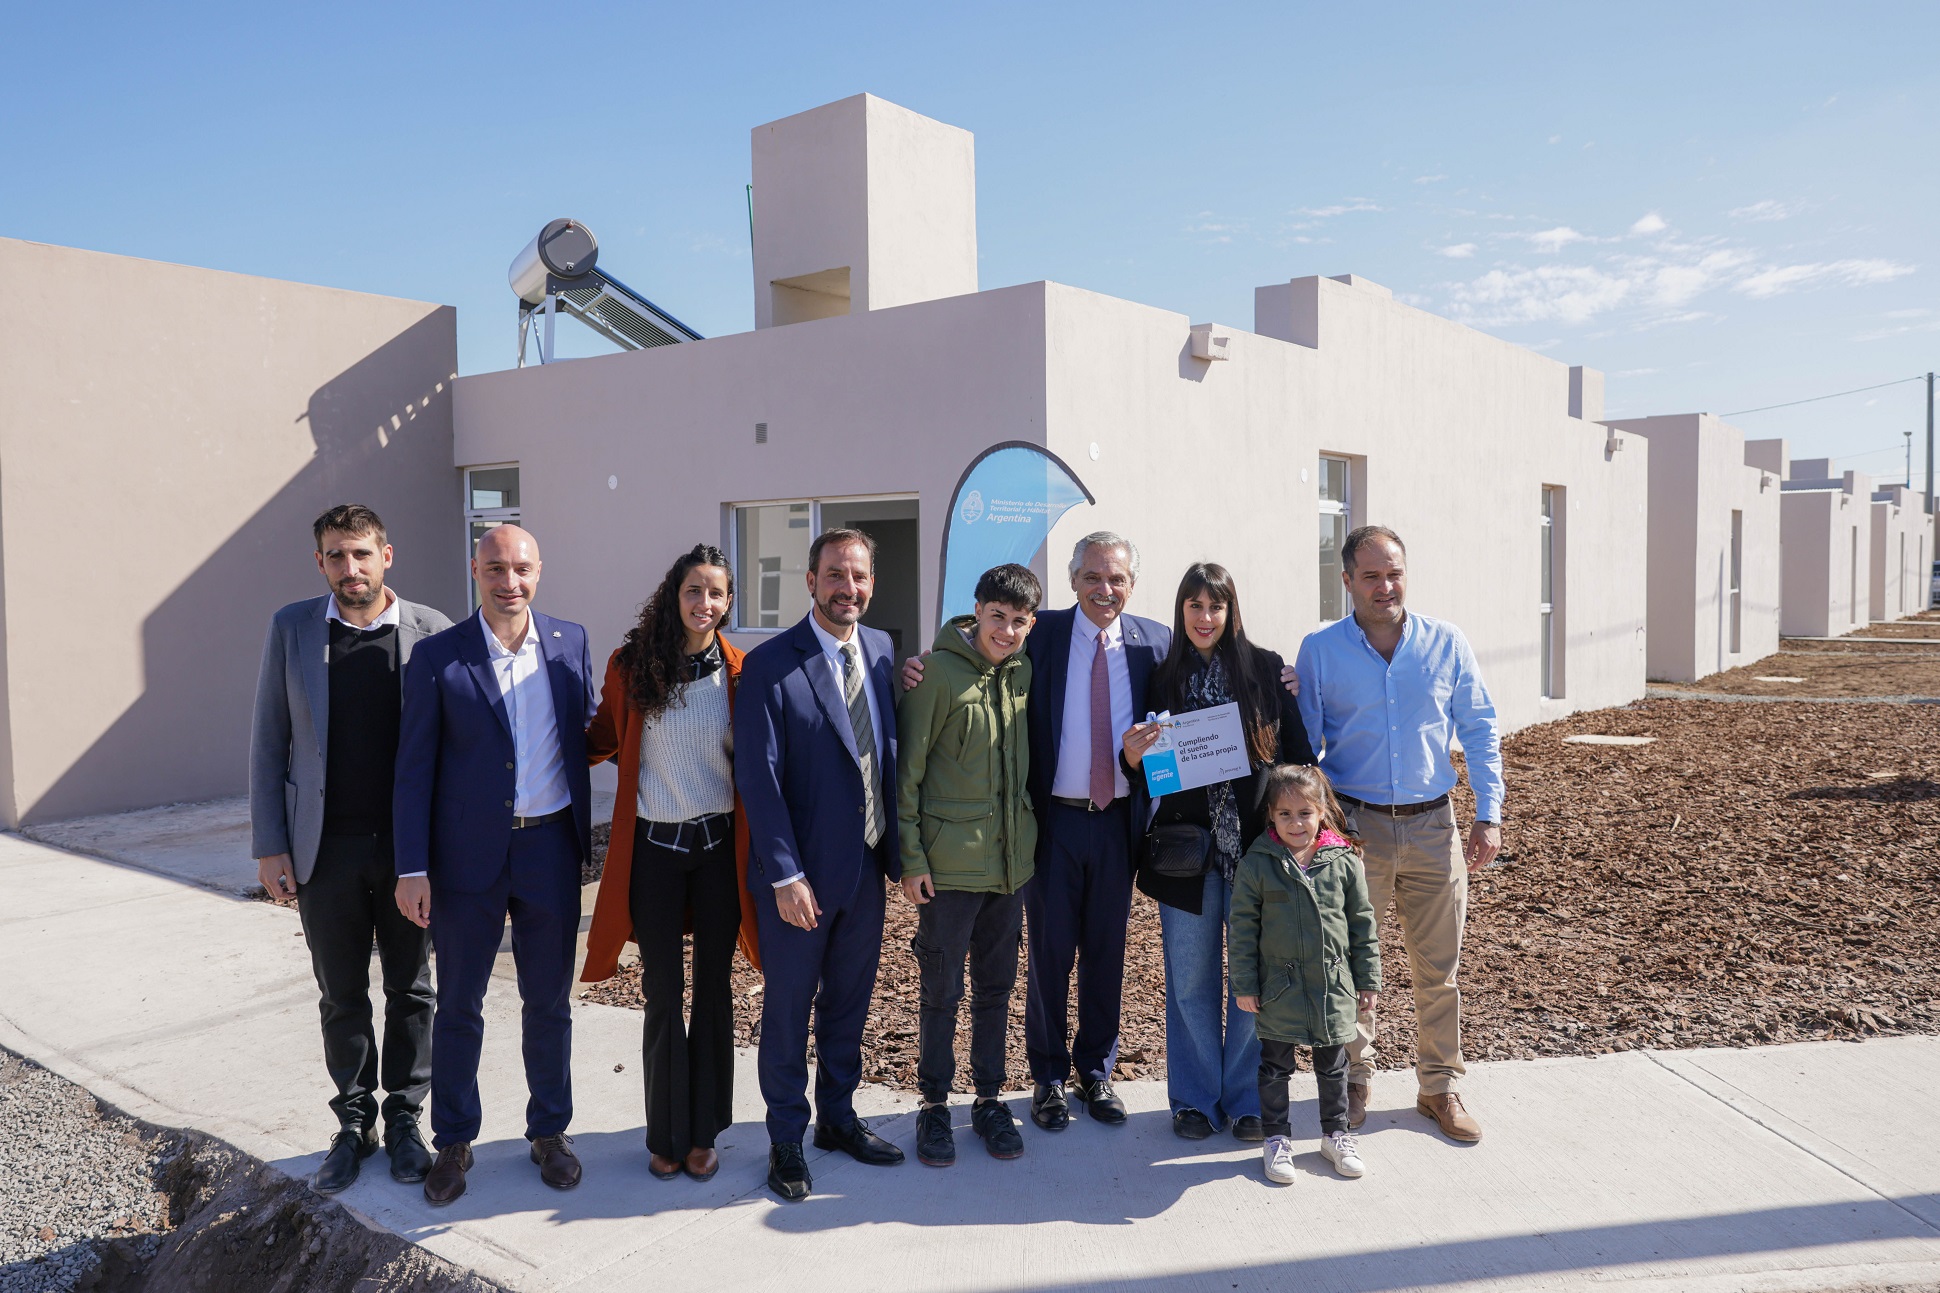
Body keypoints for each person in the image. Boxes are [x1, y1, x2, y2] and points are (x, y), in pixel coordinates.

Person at [392, 524, 598, 1204]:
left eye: (522, 568)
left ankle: (549, 1131)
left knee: (548, 1002)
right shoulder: (437, 657)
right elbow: (414, 768)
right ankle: (453, 1139)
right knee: (459, 1004)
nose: (510, 581)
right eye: (496, 568)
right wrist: (412, 865)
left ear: (540, 570)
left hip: (549, 850)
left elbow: (595, 729)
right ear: (475, 571)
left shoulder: (570, 643)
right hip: (464, 860)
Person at [249, 504, 451, 1195]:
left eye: (361, 553)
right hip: (324, 849)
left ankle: (403, 1118)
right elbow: (269, 740)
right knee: (341, 993)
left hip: (408, 849)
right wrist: (270, 844)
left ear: (386, 556)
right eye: (336, 555)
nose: (350, 568)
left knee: (412, 988)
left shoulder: (432, 630)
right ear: (320, 563)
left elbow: (456, 749)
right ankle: (353, 1119)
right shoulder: (291, 629)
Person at [1294, 525, 1502, 1143]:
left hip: (1435, 828)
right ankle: (1354, 1081)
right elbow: (1305, 750)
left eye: (1394, 574)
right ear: (1347, 581)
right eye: (1371, 576)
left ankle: (1438, 1087)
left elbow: (1482, 728)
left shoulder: (1447, 643)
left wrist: (1489, 813)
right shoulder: (1321, 650)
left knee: (1440, 969)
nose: (1385, 587)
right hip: (1355, 831)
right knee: (1354, 966)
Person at [735, 528, 905, 1202]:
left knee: (849, 1006)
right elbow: (759, 776)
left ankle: (838, 1117)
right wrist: (784, 873)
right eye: (836, 574)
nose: (849, 588)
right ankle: (785, 1139)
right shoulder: (770, 664)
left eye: (860, 576)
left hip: (866, 868)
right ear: (810, 580)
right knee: (787, 1011)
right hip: (798, 879)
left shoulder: (886, 652)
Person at [581, 543, 760, 1184]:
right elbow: (601, 736)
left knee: (713, 991)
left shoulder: (742, 672)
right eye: (693, 591)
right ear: (673, 594)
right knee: (662, 994)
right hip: (654, 853)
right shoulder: (631, 668)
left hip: (716, 852)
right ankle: (665, 1134)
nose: (704, 603)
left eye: (716, 593)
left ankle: (704, 1132)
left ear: (728, 602)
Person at [1119, 563, 1316, 1144]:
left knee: (1252, 978)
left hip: (1258, 856)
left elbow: (1301, 758)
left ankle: (1246, 1098)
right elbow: (1148, 776)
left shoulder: (1264, 670)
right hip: (1187, 858)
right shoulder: (1162, 678)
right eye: (1194, 607)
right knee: (1188, 981)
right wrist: (1135, 758)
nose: (1205, 618)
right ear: (1181, 613)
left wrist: (1292, 825)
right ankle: (1195, 1101)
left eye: (1216, 607)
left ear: (1232, 612)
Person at [895, 563, 1042, 1167]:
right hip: (948, 869)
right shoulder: (934, 675)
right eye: (997, 617)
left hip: (1010, 867)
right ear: (977, 611)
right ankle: (933, 1105)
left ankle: (987, 1098)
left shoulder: (1025, 671)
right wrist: (911, 858)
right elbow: (909, 775)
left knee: (995, 987)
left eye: (1019, 621)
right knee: (940, 988)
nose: (1006, 631)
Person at [1231, 763, 1380, 1185]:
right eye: (1284, 814)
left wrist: (1367, 979)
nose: (1295, 823)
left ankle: (1336, 1134)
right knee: (1275, 1066)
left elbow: (1362, 925)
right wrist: (1245, 984)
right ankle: (1277, 1138)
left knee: (1333, 1065)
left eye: (1305, 814)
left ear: (1322, 813)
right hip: (1278, 987)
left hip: (1333, 985)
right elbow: (1243, 929)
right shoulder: (1258, 864)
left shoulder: (1344, 862)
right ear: (1271, 817)